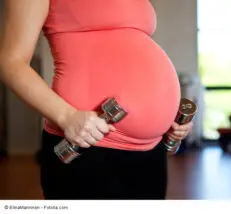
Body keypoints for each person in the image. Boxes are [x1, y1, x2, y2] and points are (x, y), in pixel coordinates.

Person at [0, 0, 193, 199]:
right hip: (90, 142)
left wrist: (162, 114)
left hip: (151, 151)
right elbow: (11, 62)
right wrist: (67, 116)